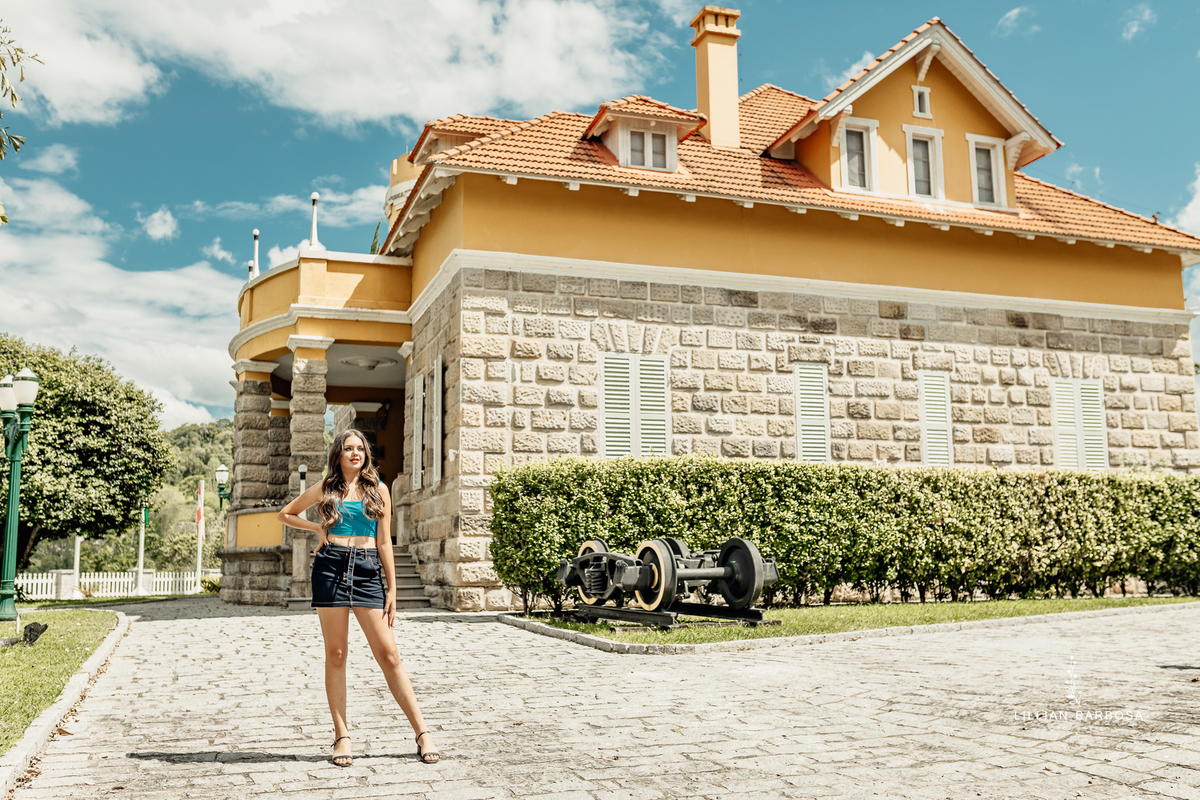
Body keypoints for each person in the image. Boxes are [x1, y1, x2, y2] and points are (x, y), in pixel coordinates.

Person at [278, 430, 440, 766]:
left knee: (390, 654)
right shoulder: (326, 489)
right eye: (349, 449)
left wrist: (392, 589)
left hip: (367, 572)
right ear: (338, 455)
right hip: (330, 568)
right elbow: (287, 514)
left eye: (360, 449)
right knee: (336, 653)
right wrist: (318, 529)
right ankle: (342, 736)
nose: (356, 454)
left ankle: (422, 731)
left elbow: (384, 542)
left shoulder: (378, 490)